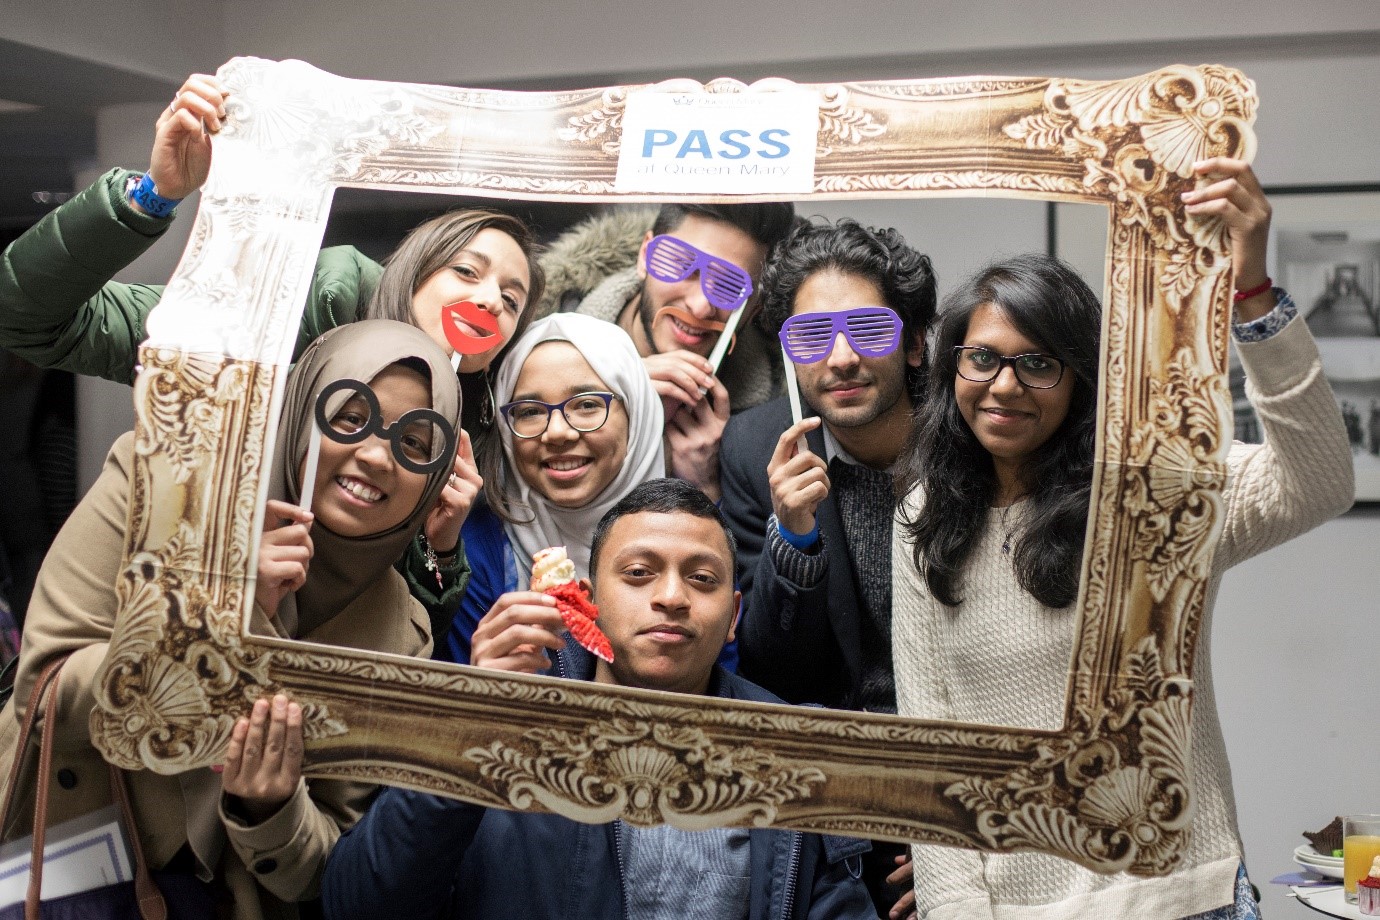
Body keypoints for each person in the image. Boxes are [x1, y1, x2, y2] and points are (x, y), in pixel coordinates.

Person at [890, 160, 1353, 920]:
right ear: (952, 370)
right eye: (982, 359)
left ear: (1081, 381)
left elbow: (1319, 481)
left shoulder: (1152, 491)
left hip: (1186, 899)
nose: (1004, 385)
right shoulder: (925, 516)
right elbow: (932, 746)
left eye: (1037, 363)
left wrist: (1254, 296)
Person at [0, 74, 546, 640]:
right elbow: (27, 316)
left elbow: (402, 640)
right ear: (411, 273)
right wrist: (151, 194)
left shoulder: (458, 444)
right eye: (466, 271)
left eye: (510, 299)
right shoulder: (269, 318)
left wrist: (440, 549)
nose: (488, 300)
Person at [0, 319, 462, 920]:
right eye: (349, 418)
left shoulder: (398, 629)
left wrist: (269, 810)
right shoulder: (165, 486)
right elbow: (46, 692)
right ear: (300, 409)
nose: (377, 455)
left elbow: (331, 866)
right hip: (59, 866)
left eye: (416, 445)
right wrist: (221, 617)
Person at [320, 478, 877, 920]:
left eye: (702, 579)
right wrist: (474, 720)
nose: (671, 597)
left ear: (733, 618)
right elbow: (360, 903)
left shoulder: (789, 749)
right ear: (585, 602)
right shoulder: (512, 717)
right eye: (639, 574)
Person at [718, 217, 934, 918]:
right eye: (811, 337)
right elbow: (773, 671)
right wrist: (794, 535)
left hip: (958, 773)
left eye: (868, 330)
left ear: (916, 341)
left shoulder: (975, 436)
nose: (839, 358)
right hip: (833, 790)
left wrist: (951, 835)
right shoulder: (758, 447)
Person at [436, 312, 666, 664]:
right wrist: (483, 682)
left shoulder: (694, 538)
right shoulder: (471, 550)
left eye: (587, 404)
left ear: (637, 412)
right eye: (529, 411)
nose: (557, 432)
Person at [545, 200, 796, 499]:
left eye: (730, 285)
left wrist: (707, 487)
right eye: (680, 264)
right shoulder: (536, 342)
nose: (700, 306)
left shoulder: (776, 423)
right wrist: (611, 393)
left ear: (755, 307)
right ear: (644, 256)